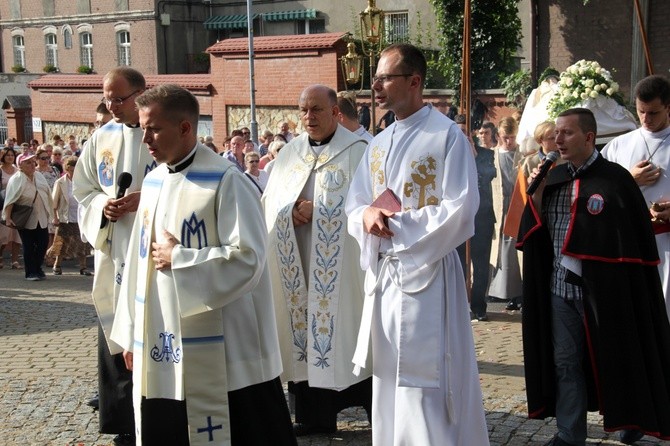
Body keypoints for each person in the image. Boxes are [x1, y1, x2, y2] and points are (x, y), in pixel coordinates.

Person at [110, 84, 296, 446]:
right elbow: (137, 265)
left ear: (185, 128)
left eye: (154, 128)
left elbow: (248, 260)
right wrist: (131, 334)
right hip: (163, 340)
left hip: (225, 351)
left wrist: (178, 258)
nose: (145, 138)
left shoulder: (228, 182)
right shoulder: (152, 182)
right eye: (143, 128)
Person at [345, 43, 489, 445]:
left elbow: (462, 208)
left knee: (425, 377)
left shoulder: (446, 137)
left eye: (384, 77)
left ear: (414, 82)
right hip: (387, 278)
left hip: (429, 274)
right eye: (375, 77)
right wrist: (366, 216)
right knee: (390, 376)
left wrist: (398, 226)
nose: (375, 85)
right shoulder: (378, 142)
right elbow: (355, 202)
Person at [518, 107, 670, 446]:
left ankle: (632, 417)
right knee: (565, 362)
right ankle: (570, 435)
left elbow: (632, 238)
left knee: (617, 356)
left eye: (567, 133)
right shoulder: (552, 179)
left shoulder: (616, 180)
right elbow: (537, 234)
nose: (559, 139)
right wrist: (537, 193)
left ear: (589, 137)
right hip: (560, 291)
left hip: (605, 293)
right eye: (557, 132)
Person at [263, 84, 371, 436]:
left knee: (348, 329)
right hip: (298, 261)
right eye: (303, 110)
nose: (309, 117)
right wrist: (288, 211)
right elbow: (267, 204)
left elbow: (369, 207)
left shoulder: (358, 151)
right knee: (303, 335)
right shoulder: (289, 154)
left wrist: (323, 213)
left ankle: (371, 407)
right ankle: (313, 416)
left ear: (335, 111)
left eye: (317, 110)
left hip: (343, 271)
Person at [73, 66, 154, 446]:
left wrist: (145, 199)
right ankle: (122, 419)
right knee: (114, 330)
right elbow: (84, 190)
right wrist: (104, 205)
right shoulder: (101, 138)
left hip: (153, 251)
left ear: (141, 93)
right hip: (115, 250)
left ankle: (158, 413)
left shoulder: (163, 132)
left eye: (118, 98)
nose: (111, 105)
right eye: (107, 98)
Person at [454, 115, 497, 321]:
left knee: (480, 266)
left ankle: (479, 306)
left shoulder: (486, 154)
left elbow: (488, 175)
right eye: (458, 131)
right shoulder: (450, 155)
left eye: (465, 131)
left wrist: (473, 157)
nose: (462, 135)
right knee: (459, 265)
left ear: (471, 133)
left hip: (482, 217)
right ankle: (461, 305)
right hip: (460, 218)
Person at [488, 116, 523, 311]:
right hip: (498, 207)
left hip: (516, 206)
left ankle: (515, 292)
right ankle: (498, 291)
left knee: (512, 252)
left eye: (512, 137)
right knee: (498, 251)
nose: (508, 142)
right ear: (499, 135)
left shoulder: (522, 155)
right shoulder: (493, 155)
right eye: (505, 137)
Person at [2, 153, 53, 281]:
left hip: (41, 215)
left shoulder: (39, 176)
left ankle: (37, 268)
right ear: (20, 165)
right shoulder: (17, 178)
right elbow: (10, 200)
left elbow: (47, 193)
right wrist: (7, 218)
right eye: (28, 162)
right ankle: (31, 272)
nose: (32, 165)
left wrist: (52, 213)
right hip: (25, 217)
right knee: (28, 245)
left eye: (32, 162)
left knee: (43, 243)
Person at [50, 156, 92, 276]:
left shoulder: (83, 182)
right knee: (61, 243)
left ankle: (83, 267)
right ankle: (57, 265)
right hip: (65, 217)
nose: (75, 173)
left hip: (80, 216)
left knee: (82, 243)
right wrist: (55, 217)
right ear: (67, 169)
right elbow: (54, 202)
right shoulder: (60, 182)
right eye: (72, 170)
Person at [0, 147, 23, 269]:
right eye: (8, 155)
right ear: (3, 156)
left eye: (12, 155)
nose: (10, 157)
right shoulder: (0, 170)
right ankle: (0, 257)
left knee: (16, 234)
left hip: (16, 206)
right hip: (3, 205)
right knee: (3, 235)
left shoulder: (17, 171)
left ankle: (15, 260)